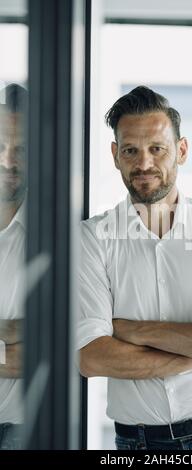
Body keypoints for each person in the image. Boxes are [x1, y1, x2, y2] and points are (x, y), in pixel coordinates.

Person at [78, 86, 192, 451]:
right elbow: (92, 356)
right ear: (115, 155)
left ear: (181, 151)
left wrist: (131, 331)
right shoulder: (92, 239)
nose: (144, 163)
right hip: (140, 444)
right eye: (131, 150)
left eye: (157, 149)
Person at [0, 84, 27, 450]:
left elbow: (57, 348)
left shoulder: (60, 237)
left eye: (21, 149)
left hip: (26, 431)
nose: (8, 160)